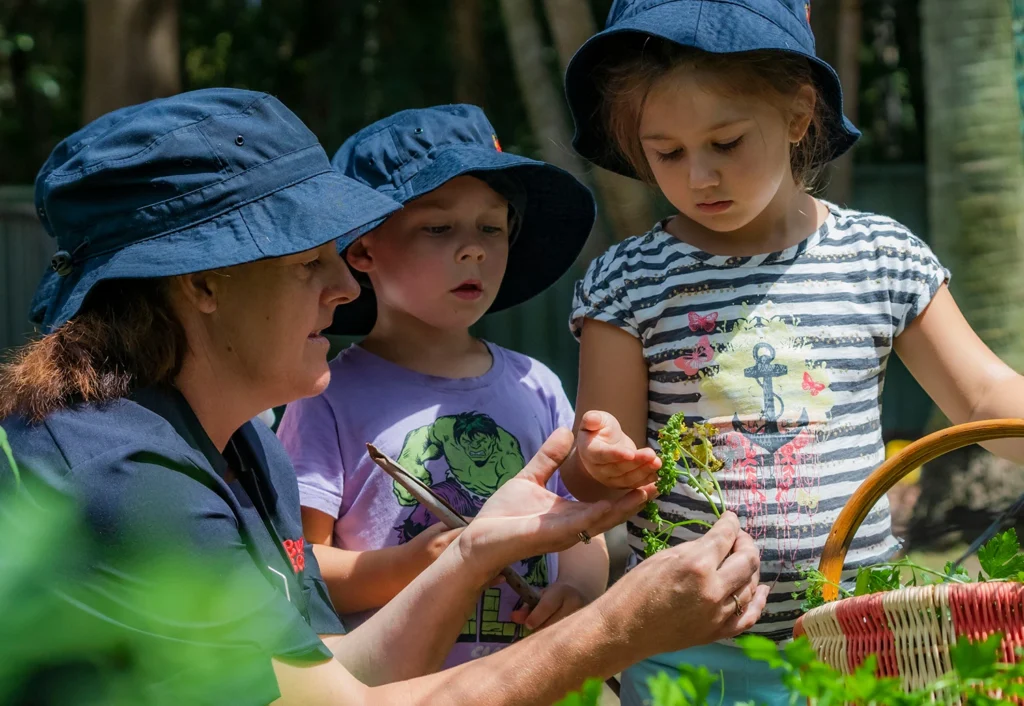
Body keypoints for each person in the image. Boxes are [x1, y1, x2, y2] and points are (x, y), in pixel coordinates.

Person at [0, 88, 769, 706]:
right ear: (201, 283)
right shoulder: (126, 476)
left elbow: (331, 669)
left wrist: (474, 549)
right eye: (310, 264)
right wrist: (616, 630)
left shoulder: (241, 442)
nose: (344, 288)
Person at [556, 1, 1024, 704]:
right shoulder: (630, 281)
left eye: (727, 142)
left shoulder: (879, 256)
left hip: (860, 639)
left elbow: (985, 397)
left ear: (799, 114)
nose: (700, 177)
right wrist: (599, 461)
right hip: (688, 651)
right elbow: (594, 470)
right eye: (668, 153)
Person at [277, 104, 607, 667]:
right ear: (363, 250)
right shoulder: (324, 393)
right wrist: (413, 565)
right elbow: (298, 566)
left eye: (491, 227)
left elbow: (580, 528)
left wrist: (576, 595)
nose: (473, 248)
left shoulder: (538, 384)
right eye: (438, 227)